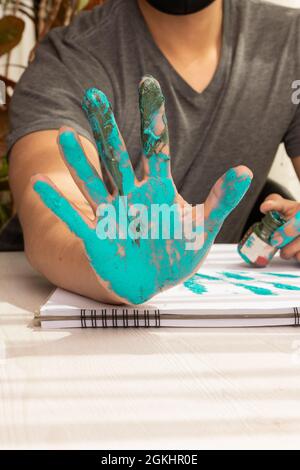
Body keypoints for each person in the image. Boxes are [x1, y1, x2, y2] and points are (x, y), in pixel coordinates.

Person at [8, 0, 300, 304]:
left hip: (225, 320)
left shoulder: (291, 42)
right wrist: (110, 268)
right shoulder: (66, 60)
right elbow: (49, 209)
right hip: (52, 314)